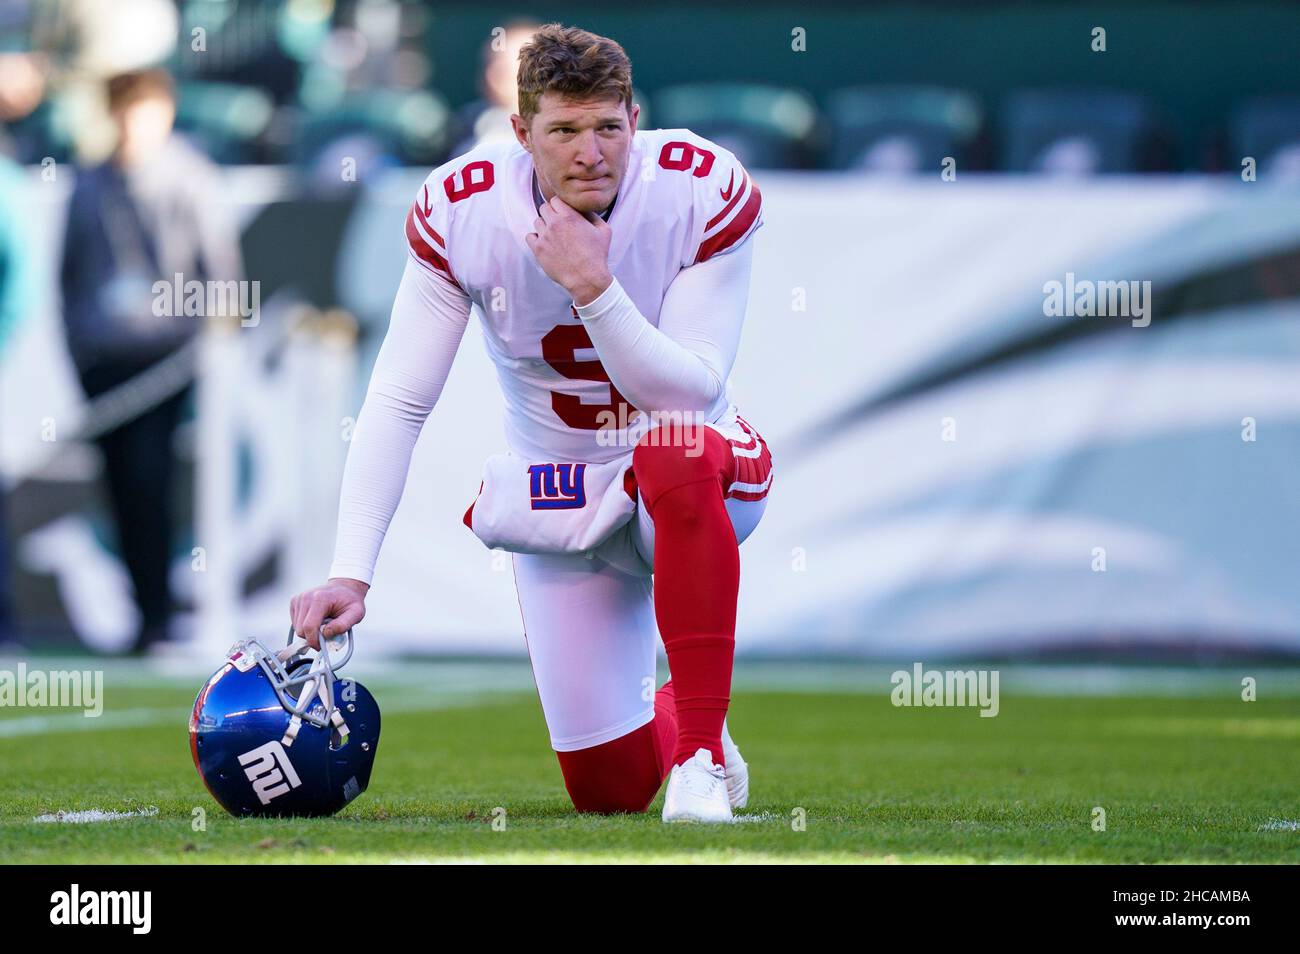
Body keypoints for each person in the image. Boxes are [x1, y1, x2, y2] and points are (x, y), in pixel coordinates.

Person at [290, 24, 772, 823]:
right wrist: (351, 570)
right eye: (565, 130)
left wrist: (595, 289)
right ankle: (683, 722)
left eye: (609, 127)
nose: (592, 152)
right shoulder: (465, 210)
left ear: (635, 119)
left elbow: (688, 394)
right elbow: (402, 397)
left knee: (672, 450)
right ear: (522, 134)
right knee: (607, 791)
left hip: (702, 469)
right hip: (566, 488)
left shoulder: (696, 184)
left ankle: (697, 758)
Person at [60, 69, 242, 654]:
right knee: (117, 489)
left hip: (165, 365)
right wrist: (82, 350)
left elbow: (222, 276)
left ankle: (161, 615)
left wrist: (205, 343)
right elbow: (69, 278)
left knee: (152, 483)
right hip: (104, 365)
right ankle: (142, 615)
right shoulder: (88, 183)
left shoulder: (191, 179)